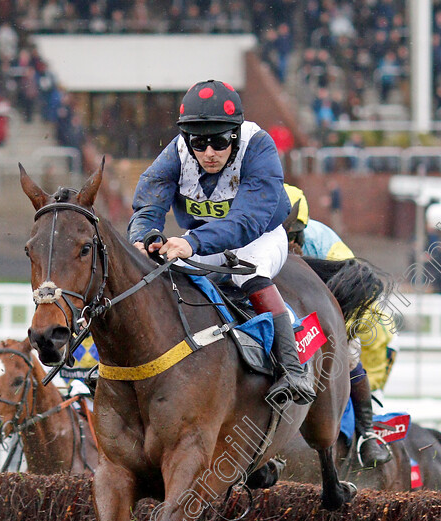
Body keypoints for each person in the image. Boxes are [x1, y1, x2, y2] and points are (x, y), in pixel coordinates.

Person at [127, 79, 315, 406]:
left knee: (247, 272)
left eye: (218, 141)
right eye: (199, 143)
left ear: (235, 134)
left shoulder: (259, 147)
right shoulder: (177, 152)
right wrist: (145, 236)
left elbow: (246, 222)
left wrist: (193, 242)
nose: (209, 153)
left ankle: (291, 366)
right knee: (160, 274)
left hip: (260, 235)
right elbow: (148, 203)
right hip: (206, 239)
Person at [284, 183, 394, 468]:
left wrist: (338, 335)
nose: (286, 245)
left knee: (347, 356)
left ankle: (367, 435)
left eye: (291, 237)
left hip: (338, 313)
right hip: (286, 308)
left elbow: (359, 297)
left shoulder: (329, 248)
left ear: (302, 230)